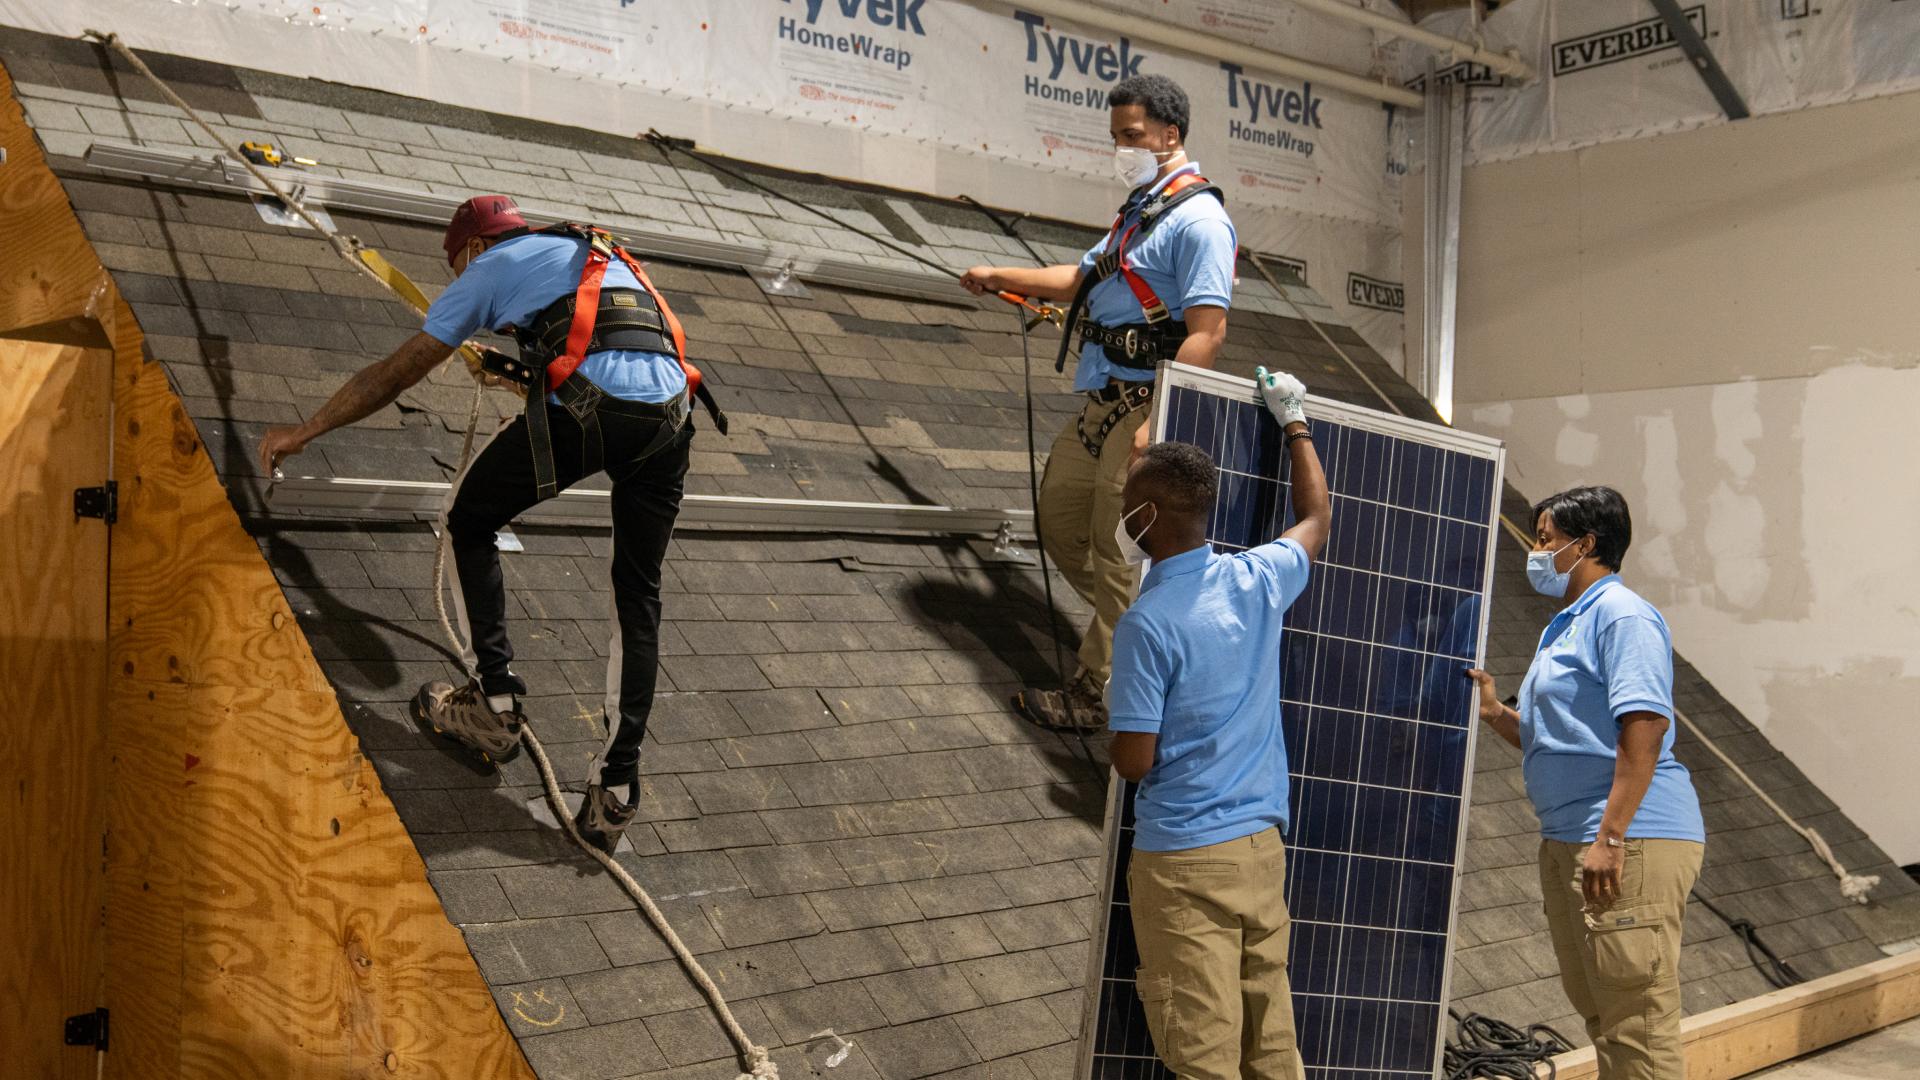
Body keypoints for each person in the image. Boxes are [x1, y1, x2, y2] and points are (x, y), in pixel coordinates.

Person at [259, 194, 714, 852]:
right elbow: (614, 346)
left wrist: (307, 430)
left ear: (471, 250)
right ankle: (616, 790)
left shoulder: (487, 268)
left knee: (469, 519)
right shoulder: (595, 254)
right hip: (671, 416)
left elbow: (398, 371)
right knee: (638, 593)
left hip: (597, 404)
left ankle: (494, 709)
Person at [960, 73, 1237, 732]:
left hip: (1144, 404)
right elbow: (1081, 280)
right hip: (1099, 399)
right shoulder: (1139, 214)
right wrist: (1001, 274)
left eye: (1133, 136)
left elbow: (1209, 333)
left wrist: (1157, 425)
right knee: (1061, 525)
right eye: (1117, 137)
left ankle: (1099, 692)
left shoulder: (1199, 221)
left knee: (1117, 554)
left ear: (1171, 134)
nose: (1122, 148)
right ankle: (1151, 631)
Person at [1106, 369, 1329, 1080]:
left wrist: (1118, 713)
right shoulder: (1257, 580)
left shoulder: (1147, 624)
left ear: (1148, 517)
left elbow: (1134, 761)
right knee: (1272, 1049)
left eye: (1125, 501)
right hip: (1261, 851)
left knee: (1204, 1059)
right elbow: (1317, 517)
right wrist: (1294, 422)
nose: (1120, 510)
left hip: (1185, 866)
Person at [1466, 487, 1706, 1079]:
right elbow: (1561, 738)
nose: (1538, 552)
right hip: (1570, 836)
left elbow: (1645, 725)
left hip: (1628, 839)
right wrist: (1497, 712)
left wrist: (1612, 837)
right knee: (1603, 1015)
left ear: (1586, 545)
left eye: (1546, 540)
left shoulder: (1622, 616)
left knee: (1638, 1026)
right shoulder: (1565, 627)